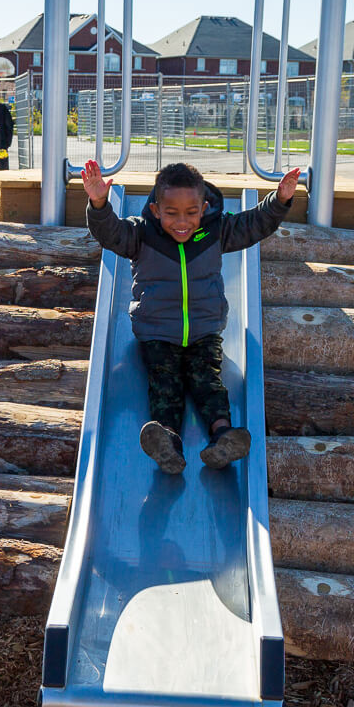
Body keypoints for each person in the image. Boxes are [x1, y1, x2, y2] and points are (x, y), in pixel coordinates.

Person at [83, 159, 301, 474]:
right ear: (156, 210)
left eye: (191, 212)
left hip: (204, 330)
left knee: (208, 382)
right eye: (171, 213)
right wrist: (99, 202)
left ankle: (223, 436)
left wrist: (280, 200)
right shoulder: (142, 235)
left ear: (204, 207)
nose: (182, 222)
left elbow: (254, 224)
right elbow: (109, 233)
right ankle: (167, 442)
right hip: (157, 331)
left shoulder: (217, 231)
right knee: (165, 383)